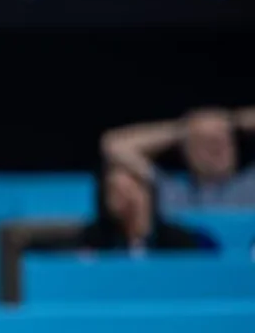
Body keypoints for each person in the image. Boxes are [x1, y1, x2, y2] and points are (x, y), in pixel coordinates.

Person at [101, 106, 255, 210]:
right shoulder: (170, 191)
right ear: (187, 151)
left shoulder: (250, 184)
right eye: (205, 142)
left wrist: (235, 121)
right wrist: (182, 130)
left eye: (224, 140)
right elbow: (114, 145)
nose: (217, 149)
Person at [74, 162, 216, 253]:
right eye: (114, 191)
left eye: (129, 189)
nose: (125, 198)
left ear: (148, 193)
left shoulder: (178, 241)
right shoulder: (95, 239)